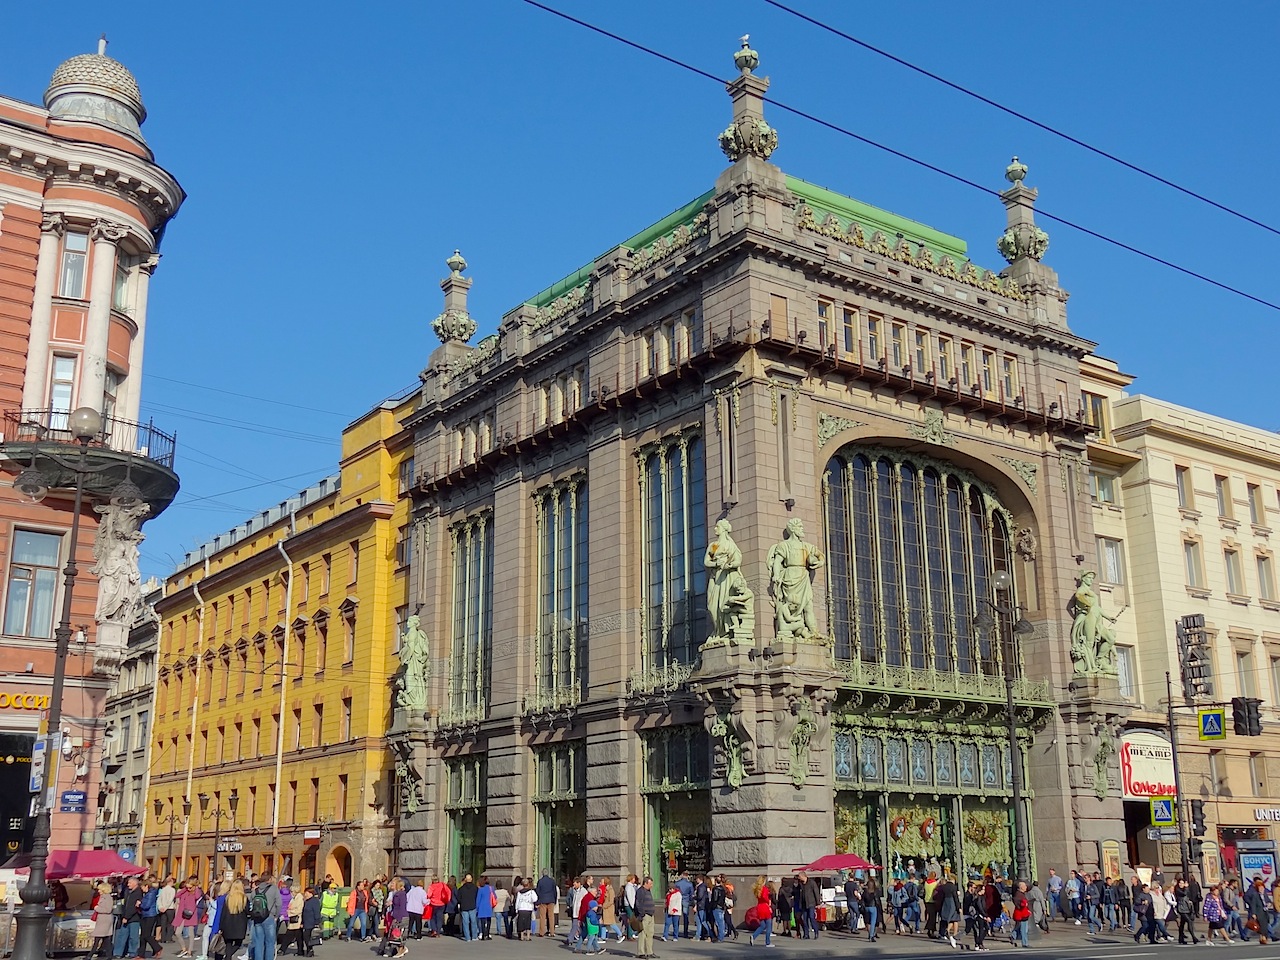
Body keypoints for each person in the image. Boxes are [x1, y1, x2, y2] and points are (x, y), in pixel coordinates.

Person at [249, 874, 282, 960]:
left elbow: (251, 903)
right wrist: (276, 916)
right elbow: (279, 904)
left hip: (257, 918)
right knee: (270, 943)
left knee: (259, 942)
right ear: (270, 879)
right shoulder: (274, 889)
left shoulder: (255, 891)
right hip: (270, 917)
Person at [216, 880, 250, 960]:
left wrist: (220, 926)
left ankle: (228, 957)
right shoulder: (244, 898)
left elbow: (223, 913)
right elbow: (248, 911)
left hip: (227, 923)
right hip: (240, 924)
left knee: (228, 943)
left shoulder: (228, 898)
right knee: (238, 943)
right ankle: (228, 956)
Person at [114, 876, 145, 959]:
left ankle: (132, 953)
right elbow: (125, 904)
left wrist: (127, 917)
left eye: (130, 883)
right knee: (122, 935)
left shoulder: (139, 892)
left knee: (133, 937)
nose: (128, 884)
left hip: (134, 918)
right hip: (125, 916)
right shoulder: (127, 891)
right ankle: (118, 952)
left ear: (135, 883)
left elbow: (133, 907)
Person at [175, 877, 203, 958]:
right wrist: (185, 888)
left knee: (191, 934)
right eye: (187, 887)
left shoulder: (195, 893)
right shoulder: (185, 892)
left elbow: (198, 896)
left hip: (190, 914)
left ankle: (189, 951)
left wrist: (196, 888)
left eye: (190, 887)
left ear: (194, 886)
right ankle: (184, 949)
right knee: (178, 933)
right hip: (182, 914)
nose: (188, 889)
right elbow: (177, 895)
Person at [937, 872, 961, 949]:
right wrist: (959, 907)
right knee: (955, 919)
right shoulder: (953, 887)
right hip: (952, 903)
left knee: (949, 918)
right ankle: (955, 934)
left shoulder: (943, 887)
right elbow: (955, 898)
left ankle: (946, 930)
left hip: (945, 903)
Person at [634, 877, 656, 959]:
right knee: (642, 934)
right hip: (644, 915)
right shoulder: (640, 891)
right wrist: (642, 914)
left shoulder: (648, 891)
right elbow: (638, 904)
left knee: (650, 934)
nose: (651, 886)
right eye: (650, 884)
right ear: (645, 883)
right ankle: (641, 952)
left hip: (650, 915)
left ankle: (649, 952)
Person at [92, 882, 116, 959]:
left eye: (99, 889)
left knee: (98, 939)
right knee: (106, 940)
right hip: (102, 920)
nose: (98, 891)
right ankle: (109, 956)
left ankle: (89, 955)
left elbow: (108, 910)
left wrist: (97, 908)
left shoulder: (108, 898)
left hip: (105, 921)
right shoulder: (103, 897)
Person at [748, 877, 774, 946]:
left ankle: (753, 936)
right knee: (768, 926)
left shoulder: (757, 889)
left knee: (762, 925)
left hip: (759, 907)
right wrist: (768, 901)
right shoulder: (764, 889)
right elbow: (765, 897)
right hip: (765, 907)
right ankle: (767, 942)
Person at [1244, 876, 1270, 945]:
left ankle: (1262, 938)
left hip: (1265, 911)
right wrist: (1254, 913)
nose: (1261, 889)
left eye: (1262, 887)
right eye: (1260, 887)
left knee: (1265, 925)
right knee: (1262, 925)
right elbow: (1253, 904)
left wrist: (1269, 904)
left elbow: (1268, 901)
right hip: (1259, 912)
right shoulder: (1255, 895)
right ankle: (1263, 938)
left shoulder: (1264, 894)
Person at [535, 868, 558, 939]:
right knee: (551, 916)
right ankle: (552, 932)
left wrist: (538, 901)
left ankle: (541, 932)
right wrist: (554, 900)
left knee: (542, 917)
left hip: (542, 900)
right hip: (551, 900)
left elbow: (538, 892)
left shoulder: (540, 881)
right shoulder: (552, 881)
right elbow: (555, 891)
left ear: (542, 873)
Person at [456, 873, 480, 942]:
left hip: (464, 907)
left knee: (465, 923)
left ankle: (467, 937)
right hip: (472, 906)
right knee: (473, 922)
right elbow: (477, 897)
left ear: (466, 880)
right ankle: (474, 936)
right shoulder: (475, 888)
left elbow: (458, 898)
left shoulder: (461, 889)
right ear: (471, 879)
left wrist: (462, 902)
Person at [673, 872, 694, 940]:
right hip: (686, 900)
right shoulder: (690, 884)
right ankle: (685, 932)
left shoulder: (677, 883)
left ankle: (676, 931)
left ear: (682, 876)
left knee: (677, 916)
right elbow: (691, 894)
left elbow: (674, 891)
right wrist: (691, 901)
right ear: (687, 876)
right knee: (686, 917)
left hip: (678, 900)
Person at [1011, 881, 1031, 948]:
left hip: (1022, 914)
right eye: (1025, 886)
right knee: (1024, 930)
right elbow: (1019, 904)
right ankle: (1025, 943)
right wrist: (1024, 904)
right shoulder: (1019, 895)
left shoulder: (1021, 894)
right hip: (1022, 914)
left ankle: (1013, 936)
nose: (1026, 887)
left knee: (1019, 927)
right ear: (1021, 887)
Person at [159, 877, 178, 944]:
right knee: (170, 924)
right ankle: (168, 938)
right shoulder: (172, 890)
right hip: (170, 908)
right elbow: (170, 899)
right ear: (170, 882)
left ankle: (163, 938)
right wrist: (166, 907)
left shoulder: (163, 889)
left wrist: (161, 907)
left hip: (162, 908)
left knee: (163, 924)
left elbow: (159, 899)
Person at [476, 875, 495, 941]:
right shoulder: (491, 888)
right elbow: (494, 897)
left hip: (482, 906)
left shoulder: (480, 889)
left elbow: (478, 899)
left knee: (482, 921)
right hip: (489, 906)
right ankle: (488, 933)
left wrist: (477, 908)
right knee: (489, 920)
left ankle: (483, 934)